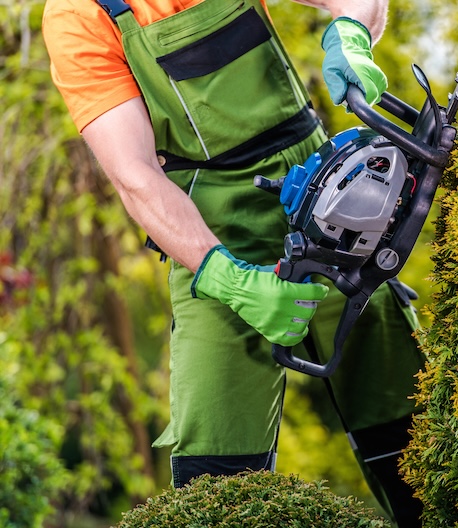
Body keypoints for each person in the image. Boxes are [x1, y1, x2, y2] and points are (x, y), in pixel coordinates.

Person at [42, 0, 425, 525]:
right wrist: (225, 277)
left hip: (330, 202)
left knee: (416, 431)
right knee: (214, 481)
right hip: (208, 233)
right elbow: (134, 175)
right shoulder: (78, 16)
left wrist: (351, 30)